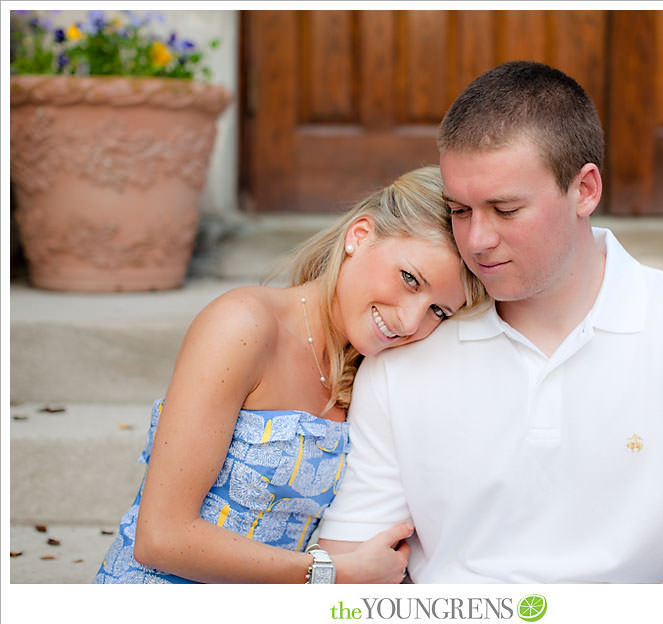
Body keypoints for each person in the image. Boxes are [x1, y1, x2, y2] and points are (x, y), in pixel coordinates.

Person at [318, 61, 663, 583]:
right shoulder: (411, 342)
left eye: (505, 209)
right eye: (459, 210)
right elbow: (355, 569)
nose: (476, 240)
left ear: (585, 189)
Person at [93, 166, 488, 584]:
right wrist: (329, 574)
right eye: (410, 279)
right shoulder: (244, 325)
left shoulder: (375, 372)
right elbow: (160, 538)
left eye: (438, 311)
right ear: (360, 236)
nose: (411, 321)